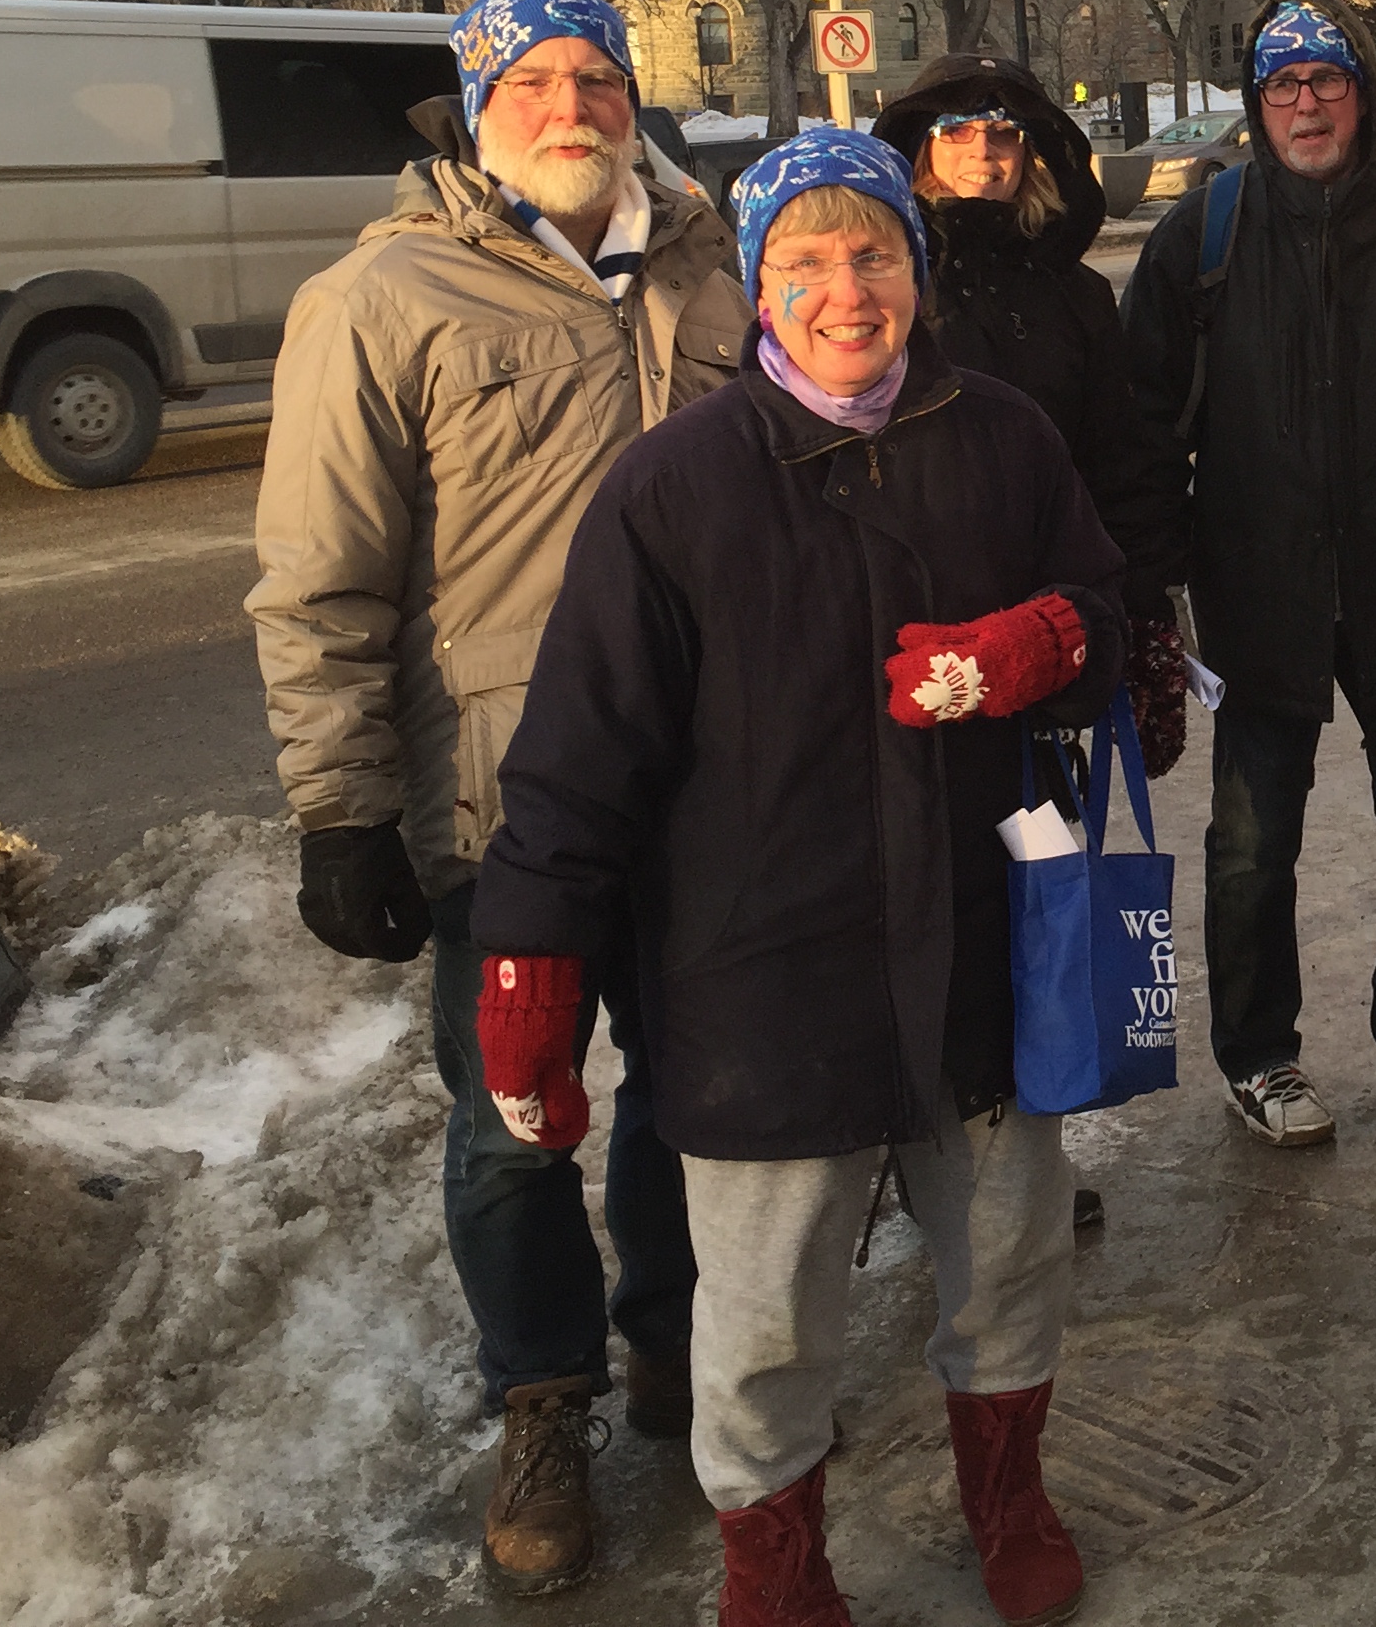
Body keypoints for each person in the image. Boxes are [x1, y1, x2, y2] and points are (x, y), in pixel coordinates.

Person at [473, 127, 1124, 1627]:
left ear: (917, 267)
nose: (849, 290)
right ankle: (772, 1565)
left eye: (877, 252)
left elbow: (1101, 606)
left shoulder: (1006, 436)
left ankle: (1010, 1497)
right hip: (765, 973)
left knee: (1013, 1263)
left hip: (983, 952)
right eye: (809, 262)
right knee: (765, 1319)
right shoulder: (674, 487)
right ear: (759, 290)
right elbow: (581, 757)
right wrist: (532, 967)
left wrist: (1035, 647)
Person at [246, 0, 753, 1592]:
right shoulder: (381, 296)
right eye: (530, 79)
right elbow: (319, 574)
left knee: (692, 1088)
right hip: (502, 795)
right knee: (512, 1119)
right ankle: (541, 1394)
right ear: (475, 109)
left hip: (706, 776)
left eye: (595, 74)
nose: (569, 103)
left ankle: (674, 1331)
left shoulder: (707, 257)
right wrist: (340, 808)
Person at [1121, 0, 1376, 1148]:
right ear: (1257, 106)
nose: (1306, 104)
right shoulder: (1199, 239)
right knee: (1252, 845)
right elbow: (1144, 432)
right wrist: (1161, 585)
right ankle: (1261, 1056)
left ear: (1363, 92)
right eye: (1282, 86)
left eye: (1328, 81)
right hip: (1259, 597)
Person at [877, 51, 1190, 770]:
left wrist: (1142, 610)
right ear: (924, 148)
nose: (982, 153)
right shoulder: (890, 282)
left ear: (1032, 151)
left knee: (1039, 854)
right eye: (956, 134)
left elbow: (1119, 457)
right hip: (914, 624)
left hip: (1042, 628)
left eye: (1002, 134)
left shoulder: (1076, 296)